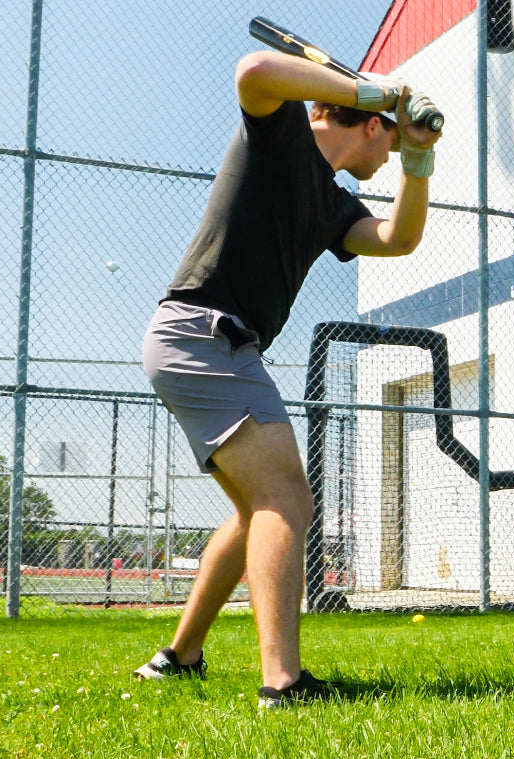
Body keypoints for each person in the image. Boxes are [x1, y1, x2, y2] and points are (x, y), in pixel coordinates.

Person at [133, 46, 441, 705]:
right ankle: (282, 682)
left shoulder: (332, 203)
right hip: (203, 334)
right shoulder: (282, 136)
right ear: (366, 123)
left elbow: (397, 240)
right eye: (388, 145)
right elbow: (252, 71)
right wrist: (373, 92)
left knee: (256, 511)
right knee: (287, 502)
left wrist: (417, 161)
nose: (386, 159)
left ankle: (178, 656)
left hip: (213, 344)